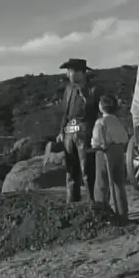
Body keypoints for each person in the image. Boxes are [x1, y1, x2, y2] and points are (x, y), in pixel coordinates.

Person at [56, 58, 103, 203]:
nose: (68, 75)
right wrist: (61, 131)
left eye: (70, 72)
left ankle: (93, 203)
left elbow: (97, 109)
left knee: (87, 171)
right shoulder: (69, 89)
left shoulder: (93, 89)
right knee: (71, 172)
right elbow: (66, 111)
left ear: (80, 72)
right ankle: (72, 205)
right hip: (69, 130)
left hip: (86, 129)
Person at [91, 94, 129, 220]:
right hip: (118, 151)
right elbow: (124, 138)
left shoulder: (101, 122)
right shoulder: (117, 121)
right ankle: (123, 213)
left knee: (101, 184)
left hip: (105, 151)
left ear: (101, 107)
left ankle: (101, 214)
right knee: (119, 184)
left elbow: (95, 141)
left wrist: (95, 144)